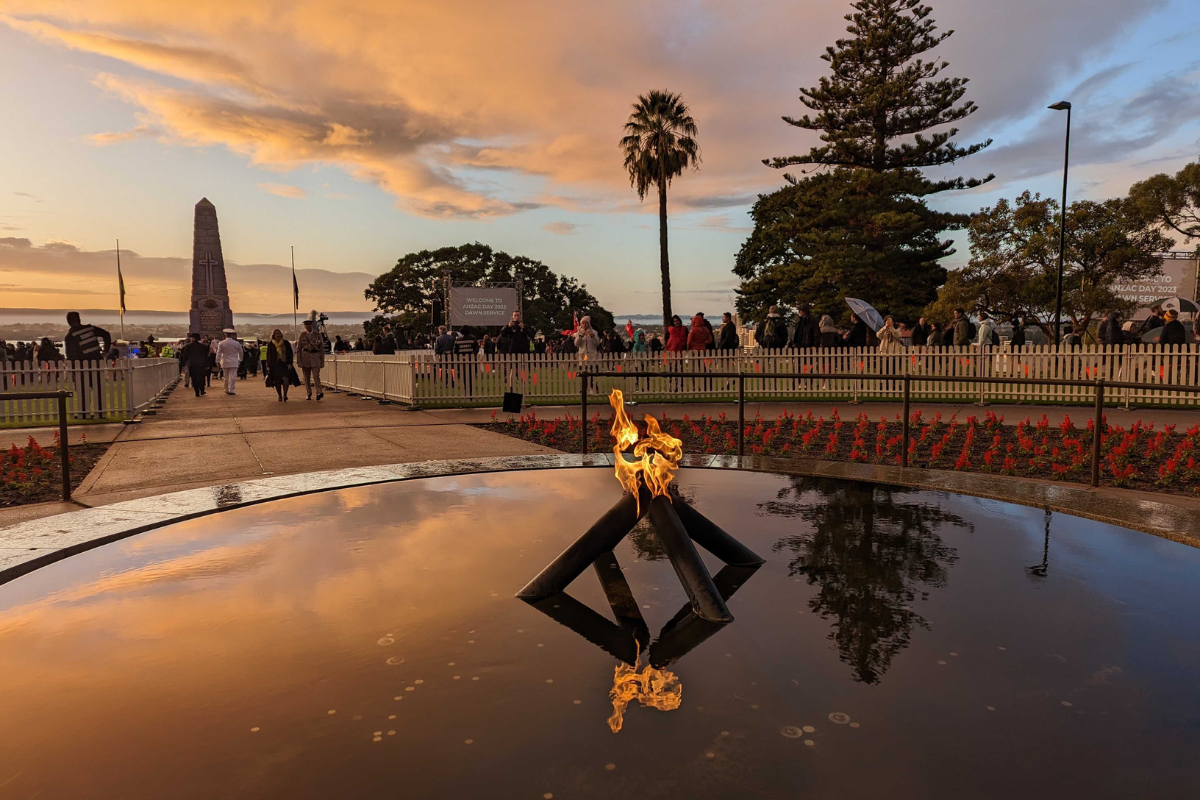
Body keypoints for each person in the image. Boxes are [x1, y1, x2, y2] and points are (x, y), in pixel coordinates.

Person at [296, 319, 325, 400]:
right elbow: (299, 349)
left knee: (316, 376)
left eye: (309, 326)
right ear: (305, 327)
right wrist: (299, 361)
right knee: (306, 377)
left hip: (315, 357)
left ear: (312, 326)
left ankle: (319, 392)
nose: (308, 327)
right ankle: (309, 392)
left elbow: (321, 349)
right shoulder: (302, 335)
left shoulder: (318, 335)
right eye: (306, 326)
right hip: (305, 357)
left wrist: (322, 361)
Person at [265, 328, 295, 401]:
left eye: (279, 333)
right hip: (275, 365)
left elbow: (290, 354)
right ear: (273, 335)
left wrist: (290, 363)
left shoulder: (286, 343)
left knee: (286, 379)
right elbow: (268, 355)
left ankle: (285, 394)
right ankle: (280, 396)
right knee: (277, 381)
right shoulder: (271, 344)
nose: (278, 335)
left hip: (284, 364)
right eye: (277, 334)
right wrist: (268, 366)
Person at [179, 333, 210, 397]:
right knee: (201, 377)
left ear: (193, 338)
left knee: (194, 378)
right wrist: (207, 364)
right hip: (201, 364)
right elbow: (206, 356)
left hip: (192, 364)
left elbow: (185, 356)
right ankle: (202, 390)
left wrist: (183, 363)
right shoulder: (203, 346)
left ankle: (197, 392)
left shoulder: (188, 346)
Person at [213, 329, 243, 394]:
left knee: (226, 376)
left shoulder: (221, 343)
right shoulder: (236, 343)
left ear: (225, 335)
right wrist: (240, 359)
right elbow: (241, 352)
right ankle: (231, 390)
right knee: (232, 376)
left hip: (225, 361)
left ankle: (226, 389)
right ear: (231, 335)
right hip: (234, 361)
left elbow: (219, 353)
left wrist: (217, 361)